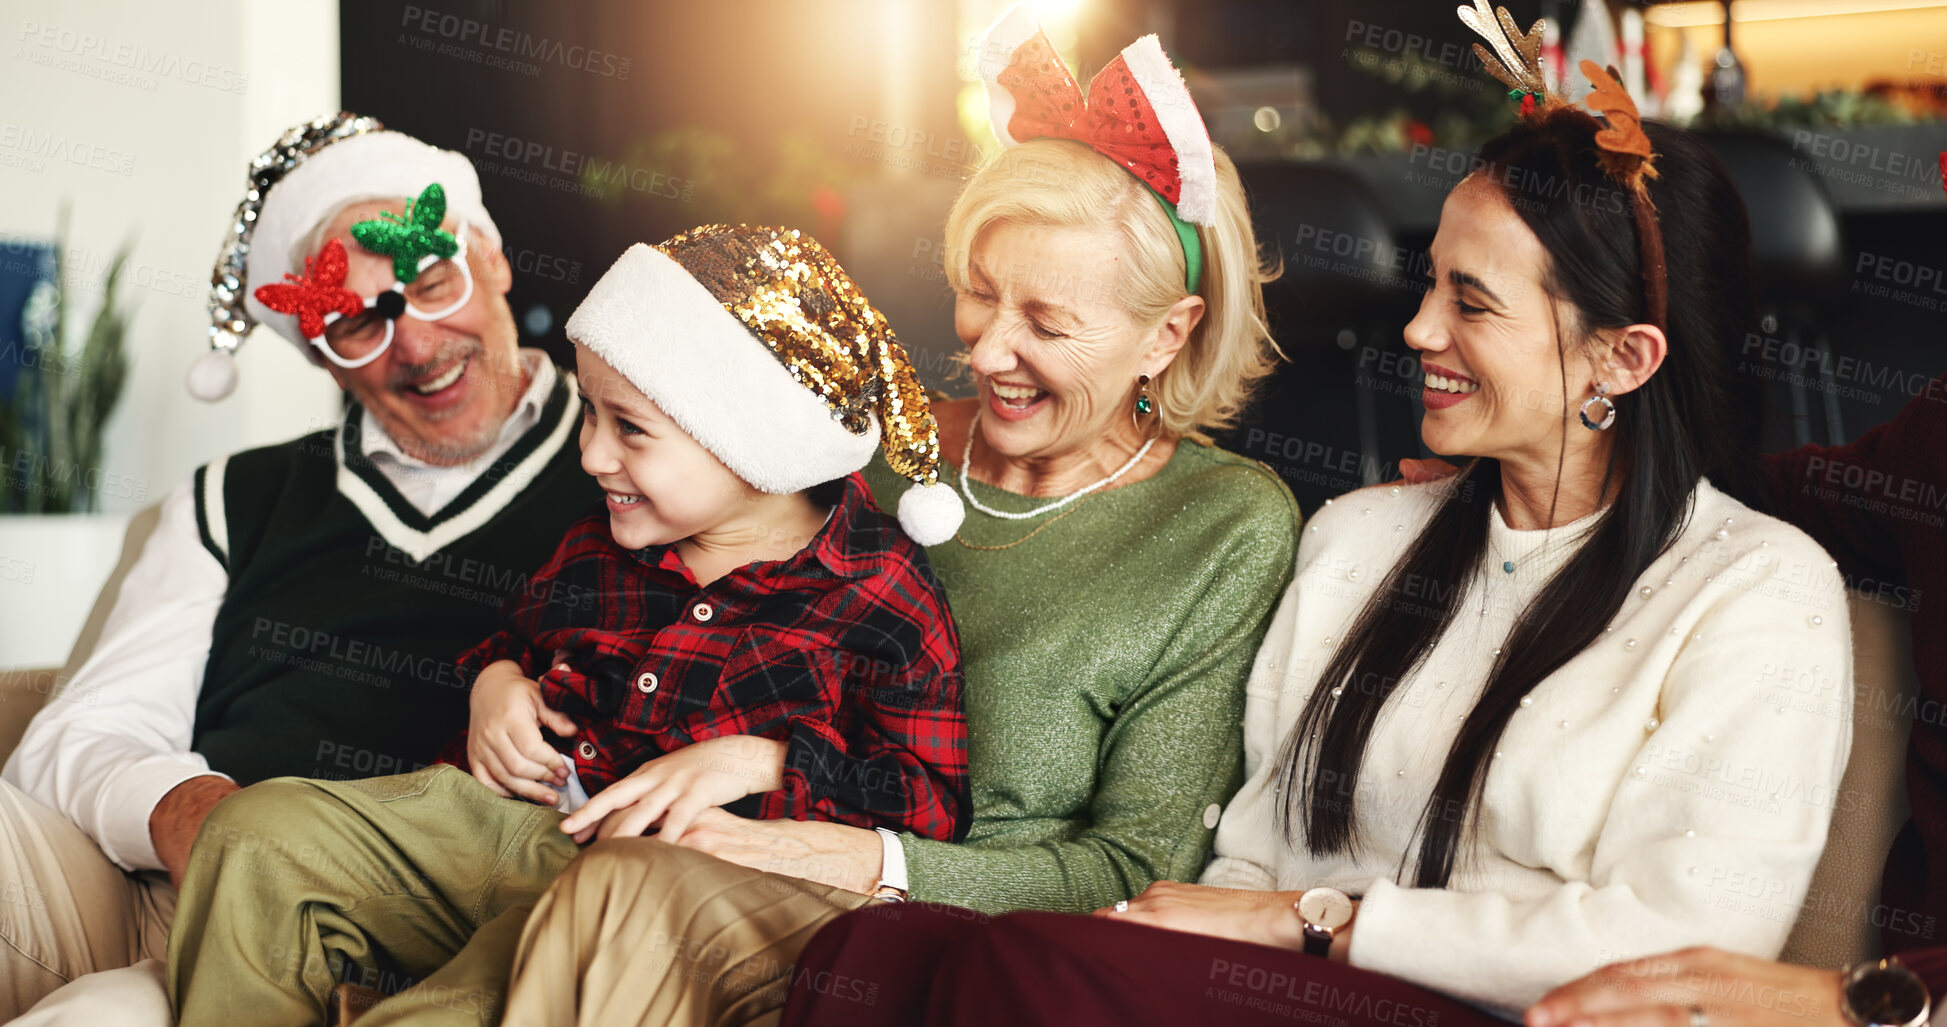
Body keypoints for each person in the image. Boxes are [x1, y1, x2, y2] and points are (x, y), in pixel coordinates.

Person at [779, 34, 1859, 1027]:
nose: (1418, 327)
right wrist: (1163, 936)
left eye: (1471, 303)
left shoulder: (1758, 591)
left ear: (1622, 361)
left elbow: (1685, 949)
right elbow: (1247, 859)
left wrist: (1329, 923)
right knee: (875, 949)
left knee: (1017, 970)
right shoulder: (1362, 538)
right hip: (1285, 986)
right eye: (1430, 281)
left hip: (1508, 1013)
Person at [492, 10, 1302, 1025]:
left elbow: (1139, 864)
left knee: (630, 899)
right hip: (667, 836)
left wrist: (860, 853)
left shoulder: (1223, 527)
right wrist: (508, 679)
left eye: (1047, 323)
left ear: (1167, 334)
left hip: (942, 938)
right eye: (978, 292)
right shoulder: (860, 446)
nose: (989, 349)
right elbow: (651, 591)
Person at [165, 225, 976, 1024]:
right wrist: (496, 682)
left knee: (467, 998)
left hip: (657, 896)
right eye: (590, 413)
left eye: (629, 428)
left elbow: (929, 801)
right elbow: (519, 638)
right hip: (512, 830)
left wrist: (763, 761)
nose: (591, 454)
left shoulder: (879, 592)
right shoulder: (598, 543)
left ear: (750, 439)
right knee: (256, 833)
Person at [0, 113, 602, 1023]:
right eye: (356, 321)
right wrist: (196, 812)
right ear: (319, 352)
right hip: (166, 894)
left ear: (494, 259)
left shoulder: (631, 472)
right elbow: (70, 740)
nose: (415, 344)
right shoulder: (234, 497)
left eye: (430, 280)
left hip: (452, 935)